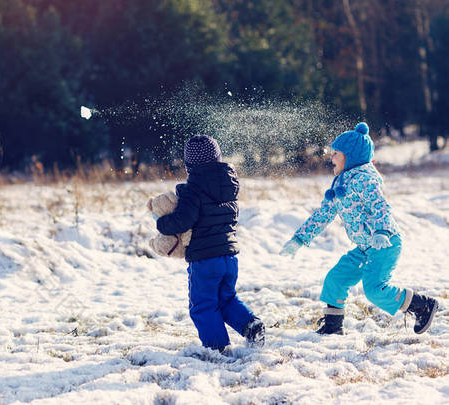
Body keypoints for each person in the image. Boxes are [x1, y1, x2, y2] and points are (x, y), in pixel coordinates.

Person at [280, 122, 438, 335]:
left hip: (385, 243)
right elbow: (323, 214)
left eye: (335, 153)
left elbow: (380, 207)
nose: (331, 157)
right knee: (336, 279)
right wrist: (299, 239)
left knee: (374, 290)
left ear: (350, 156)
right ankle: (332, 327)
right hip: (365, 247)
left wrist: (382, 231)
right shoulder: (339, 185)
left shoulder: (365, 180)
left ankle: (422, 305)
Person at [156, 135, 264, 352]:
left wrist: (162, 223)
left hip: (205, 259)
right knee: (225, 299)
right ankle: (250, 325)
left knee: (203, 306)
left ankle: (217, 348)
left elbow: (183, 220)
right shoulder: (229, 185)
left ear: (189, 166)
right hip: (229, 256)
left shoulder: (194, 189)